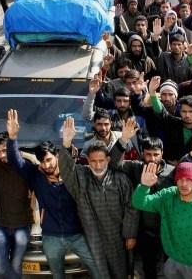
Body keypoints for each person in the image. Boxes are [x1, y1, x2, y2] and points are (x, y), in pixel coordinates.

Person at [4, 110, 100, 279]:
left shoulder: (72, 173)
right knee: (57, 275)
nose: (46, 165)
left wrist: (67, 142)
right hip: (51, 237)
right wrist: (12, 138)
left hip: (77, 234)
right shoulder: (35, 175)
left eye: (49, 159)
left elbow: (71, 160)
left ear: (56, 156)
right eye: (42, 161)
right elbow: (15, 162)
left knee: (97, 268)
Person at [59, 116, 139, 279]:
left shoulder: (120, 179)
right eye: (93, 161)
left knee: (122, 272)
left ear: (108, 160)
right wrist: (66, 144)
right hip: (94, 237)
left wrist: (130, 234)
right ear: (87, 160)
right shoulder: (81, 178)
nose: (97, 165)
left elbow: (131, 208)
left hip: (118, 237)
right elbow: (67, 171)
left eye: (101, 161)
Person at [132, 161, 192, 278]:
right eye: (180, 179)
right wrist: (144, 186)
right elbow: (139, 203)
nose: (183, 184)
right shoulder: (167, 196)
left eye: (188, 179)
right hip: (171, 259)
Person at [109, 122, 175, 279]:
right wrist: (123, 139)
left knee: (169, 267)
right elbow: (113, 163)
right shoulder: (135, 168)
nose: (152, 158)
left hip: (167, 229)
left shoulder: (172, 172)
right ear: (142, 154)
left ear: (162, 153)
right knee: (148, 267)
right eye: (148, 154)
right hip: (144, 230)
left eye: (156, 154)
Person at [0, 131, 33, 279]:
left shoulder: (26, 164)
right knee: (0, 267)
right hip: (2, 221)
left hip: (22, 222)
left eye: (4, 150)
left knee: (16, 264)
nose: (1, 155)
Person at [148, 76, 192, 164]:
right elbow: (161, 111)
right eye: (184, 111)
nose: (187, 115)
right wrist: (152, 93)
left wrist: (184, 164)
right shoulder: (173, 123)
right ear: (179, 111)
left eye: (191, 111)